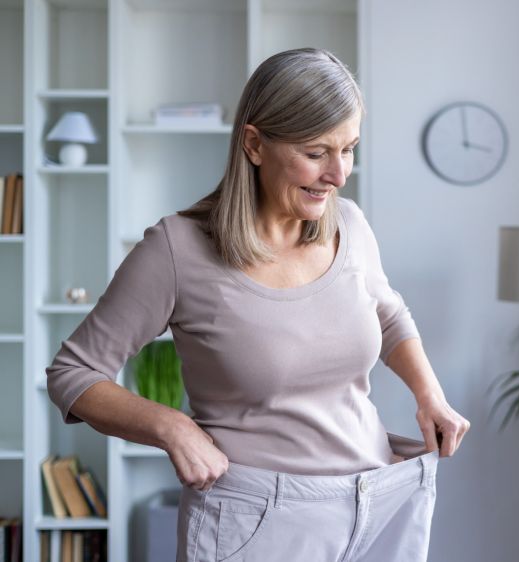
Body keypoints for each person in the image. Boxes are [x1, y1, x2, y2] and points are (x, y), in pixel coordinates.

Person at [45, 47, 470, 562]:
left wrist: (430, 395)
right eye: (316, 152)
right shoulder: (177, 249)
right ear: (254, 144)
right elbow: (73, 373)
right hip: (256, 524)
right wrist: (171, 427)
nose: (339, 174)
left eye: (349, 149)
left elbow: (388, 313)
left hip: (379, 507)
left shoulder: (350, 225)